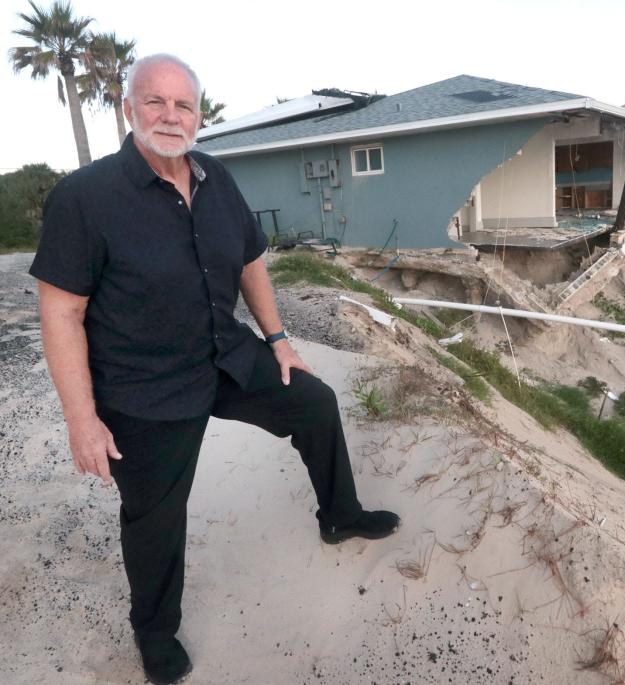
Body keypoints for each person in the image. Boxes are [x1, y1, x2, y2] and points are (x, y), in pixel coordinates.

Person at [30, 53, 399, 685]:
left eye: (184, 105)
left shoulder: (216, 179)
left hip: (224, 355)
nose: (170, 116)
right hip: (143, 388)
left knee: (313, 403)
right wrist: (82, 419)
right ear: (128, 109)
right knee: (154, 520)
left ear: (200, 116)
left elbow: (252, 258)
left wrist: (277, 339)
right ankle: (154, 632)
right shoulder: (86, 197)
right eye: (155, 102)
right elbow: (60, 311)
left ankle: (340, 515)